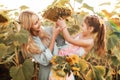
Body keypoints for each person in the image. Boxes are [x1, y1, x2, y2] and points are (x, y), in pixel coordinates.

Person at [19, 10, 61, 80]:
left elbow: (63, 44)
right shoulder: (29, 44)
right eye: (35, 23)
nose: (39, 23)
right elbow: (45, 61)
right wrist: (54, 37)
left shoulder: (47, 30)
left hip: (60, 69)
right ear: (29, 27)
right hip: (47, 73)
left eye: (38, 20)